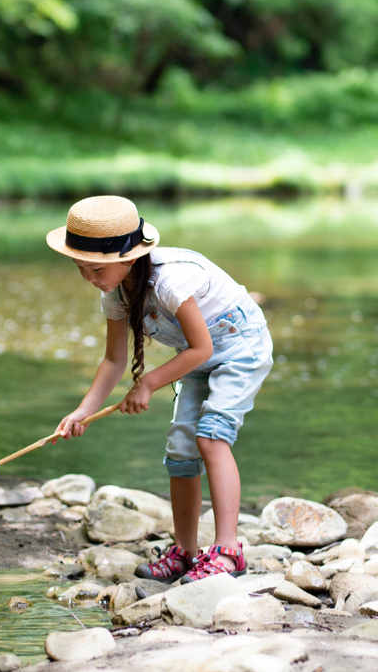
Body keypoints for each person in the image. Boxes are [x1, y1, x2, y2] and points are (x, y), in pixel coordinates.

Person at [47, 195, 273, 583]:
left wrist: (149, 382)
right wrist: (84, 410)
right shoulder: (114, 293)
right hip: (195, 357)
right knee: (181, 449)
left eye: (96, 268)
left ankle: (228, 551)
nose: (90, 278)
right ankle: (185, 551)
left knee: (211, 437)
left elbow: (204, 347)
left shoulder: (171, 280)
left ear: (129, 257)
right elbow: (114, 361)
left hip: (240, 347)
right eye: (80, 268)